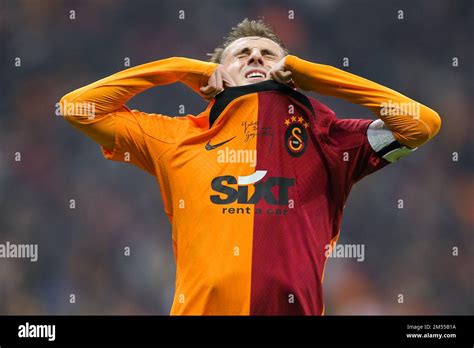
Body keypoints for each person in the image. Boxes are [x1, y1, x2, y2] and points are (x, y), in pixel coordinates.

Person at [59, 18, 441, 315]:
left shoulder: (330, 140)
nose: (255, 57)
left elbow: (422, 124)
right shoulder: (176, 137)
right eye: (241, 54)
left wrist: (320, 77)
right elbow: (77, 108)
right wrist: (178, 68)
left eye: (269, 54)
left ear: (291, 70)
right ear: (217, 74)